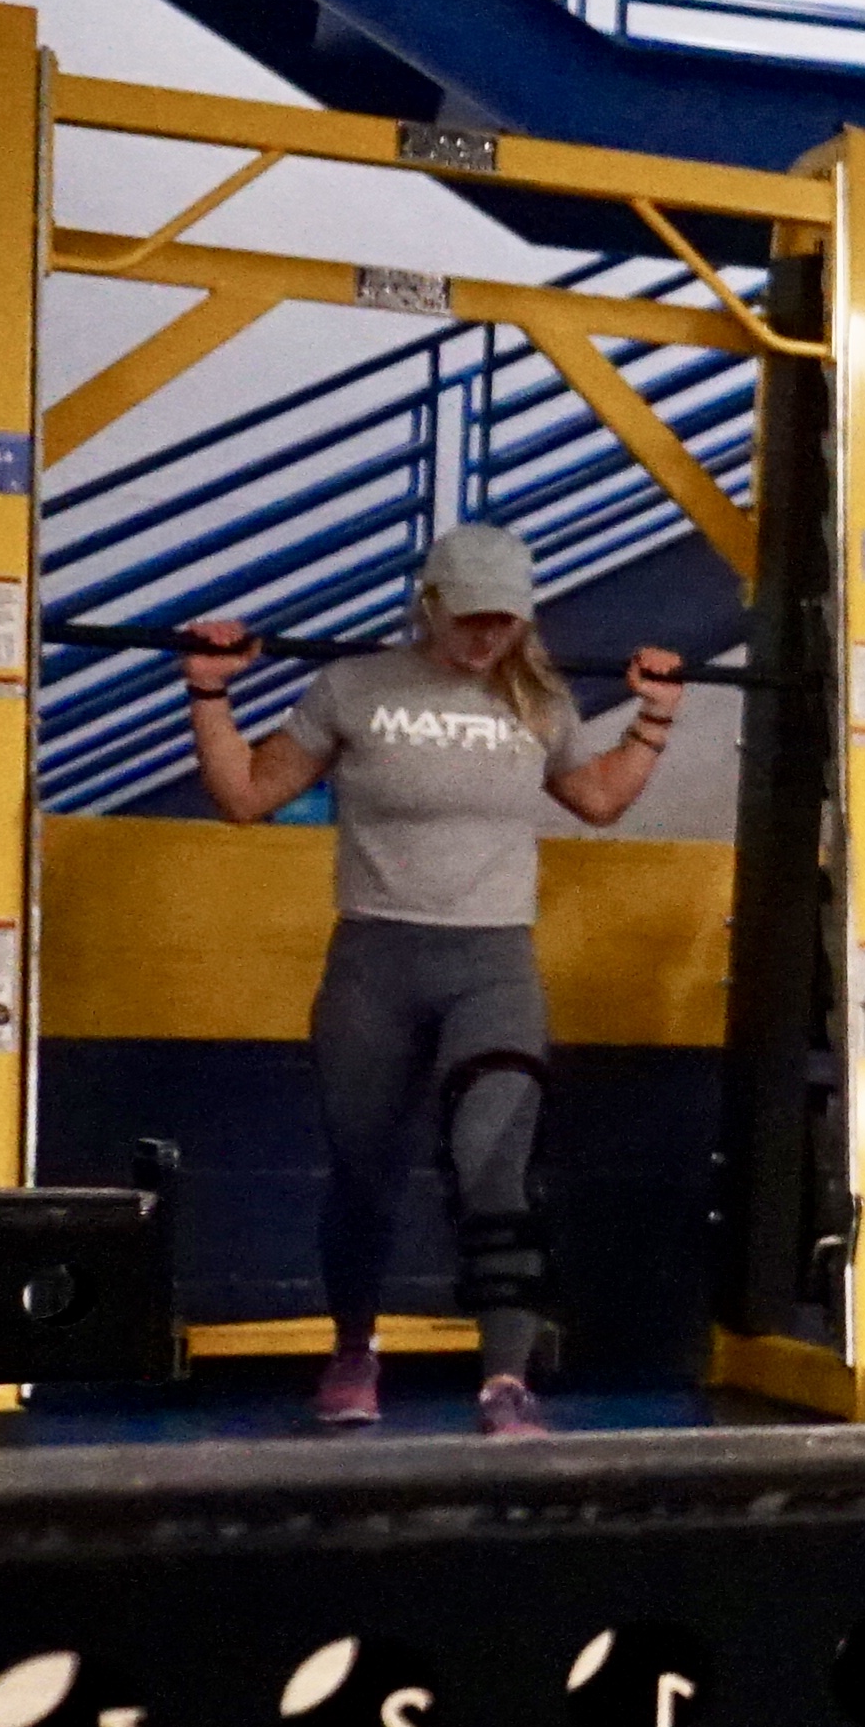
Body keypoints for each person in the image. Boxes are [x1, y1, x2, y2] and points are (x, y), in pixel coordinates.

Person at [179, 521, 681, 1435]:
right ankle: (352, 1354)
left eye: (506, 621)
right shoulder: (353, 687)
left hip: (492, 965)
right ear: (432, 604)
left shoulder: (539, 699)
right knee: (365, 1171)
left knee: (497, 1168)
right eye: (474, 619)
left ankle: (504, 1383)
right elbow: (246, 796)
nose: (489, 638)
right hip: (375, 961)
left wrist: (655, 717)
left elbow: (600, 800)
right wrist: (209, 696)